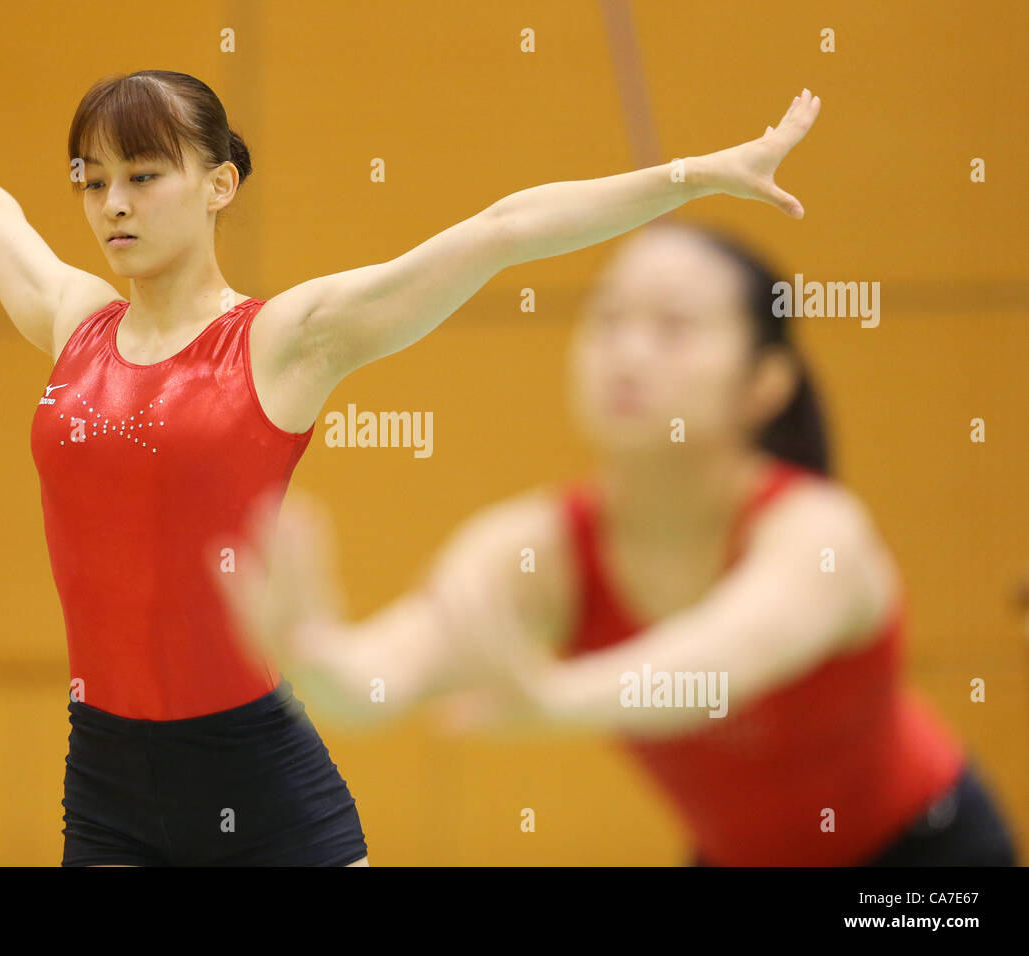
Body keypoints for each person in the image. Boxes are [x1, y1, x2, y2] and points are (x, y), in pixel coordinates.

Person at [0, 70, 823, 866]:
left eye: (144, 174)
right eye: (90, 177)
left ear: (219, 184)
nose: (111, 202)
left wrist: (697, 174)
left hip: (255, 773)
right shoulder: (73, 325)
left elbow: (500, 230)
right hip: (105, 777)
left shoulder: (286, 341)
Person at [218, 221, 1020, 866]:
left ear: (765, 382)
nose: (628, 352)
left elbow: (719, 662)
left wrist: (557, 698)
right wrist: (316, 660)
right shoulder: (535, 549)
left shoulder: (819, 535)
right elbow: (379, 679)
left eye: (673, 328)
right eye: (607, 320)